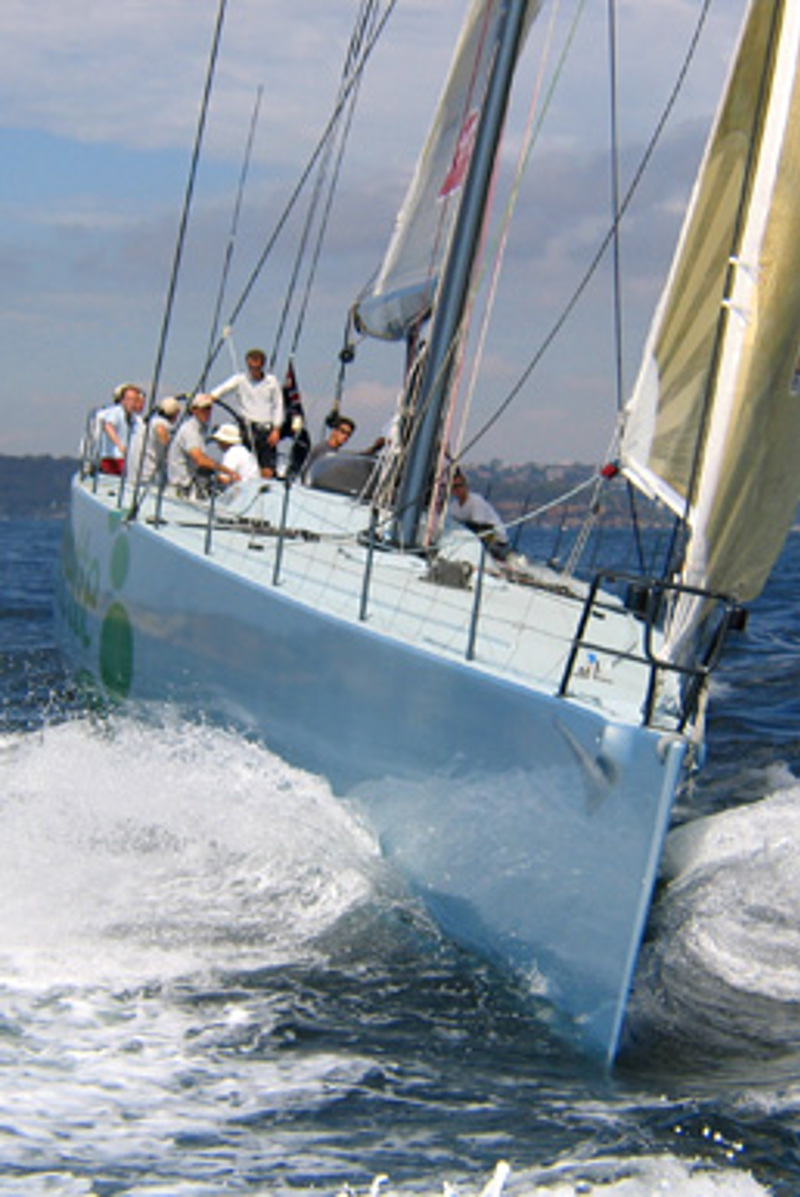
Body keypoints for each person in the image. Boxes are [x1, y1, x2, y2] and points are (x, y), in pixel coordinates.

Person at [211, 348, 284, 476]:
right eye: (251, 366)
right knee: (247, 464)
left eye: (257, 366)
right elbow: (223, 389)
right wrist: (211, 397)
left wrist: (277, 429)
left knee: (267, 468)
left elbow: (278, 404)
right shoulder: (240, 379)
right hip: (247, 428)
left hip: (266, 429)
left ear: (262, 365)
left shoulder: (271, 381)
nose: (253, 369)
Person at [167, 394, 240, 497]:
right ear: (194, 410)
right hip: (180, 489)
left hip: (191, 486)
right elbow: (200, 460)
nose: (207, 412)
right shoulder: (190, 430)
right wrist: (229, 471)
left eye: (209, 408)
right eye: (203, 409)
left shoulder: (201, 429)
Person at [449, 469, 510, 560]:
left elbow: (479, 527)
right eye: (454, 487)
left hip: (496, 541)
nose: (457, 489)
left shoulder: (476, 501)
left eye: (459, 486)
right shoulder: (453, 506)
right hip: (476, 539)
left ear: (466, 486)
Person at [126, 396, 182, 486]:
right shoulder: (162, 423)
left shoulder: (148, 422)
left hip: (133, 475)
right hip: (147, 477)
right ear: (175, 414)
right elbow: (160, 430)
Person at [95, 383, 145, 475]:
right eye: (129, 399)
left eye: (135, 400)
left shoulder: (136, 419)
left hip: (128, 460)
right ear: (122, 400)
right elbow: (108, 426)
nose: (132, 403)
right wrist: (120, 446)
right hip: (113, 459)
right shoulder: (116, 412)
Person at [303, 414, 356, 481]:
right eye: (343, 432)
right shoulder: (322, 450)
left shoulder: (335, 454)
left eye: (348, 434)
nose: (345, 436)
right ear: (334, 431)